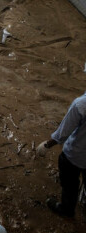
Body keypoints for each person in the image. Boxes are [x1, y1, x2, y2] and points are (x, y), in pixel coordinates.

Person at [38, 88, 86, 218]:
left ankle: (66, 210)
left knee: (70, 185)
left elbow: (63, 132)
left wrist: (47, 145)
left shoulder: (81, 104)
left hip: (75, 155)